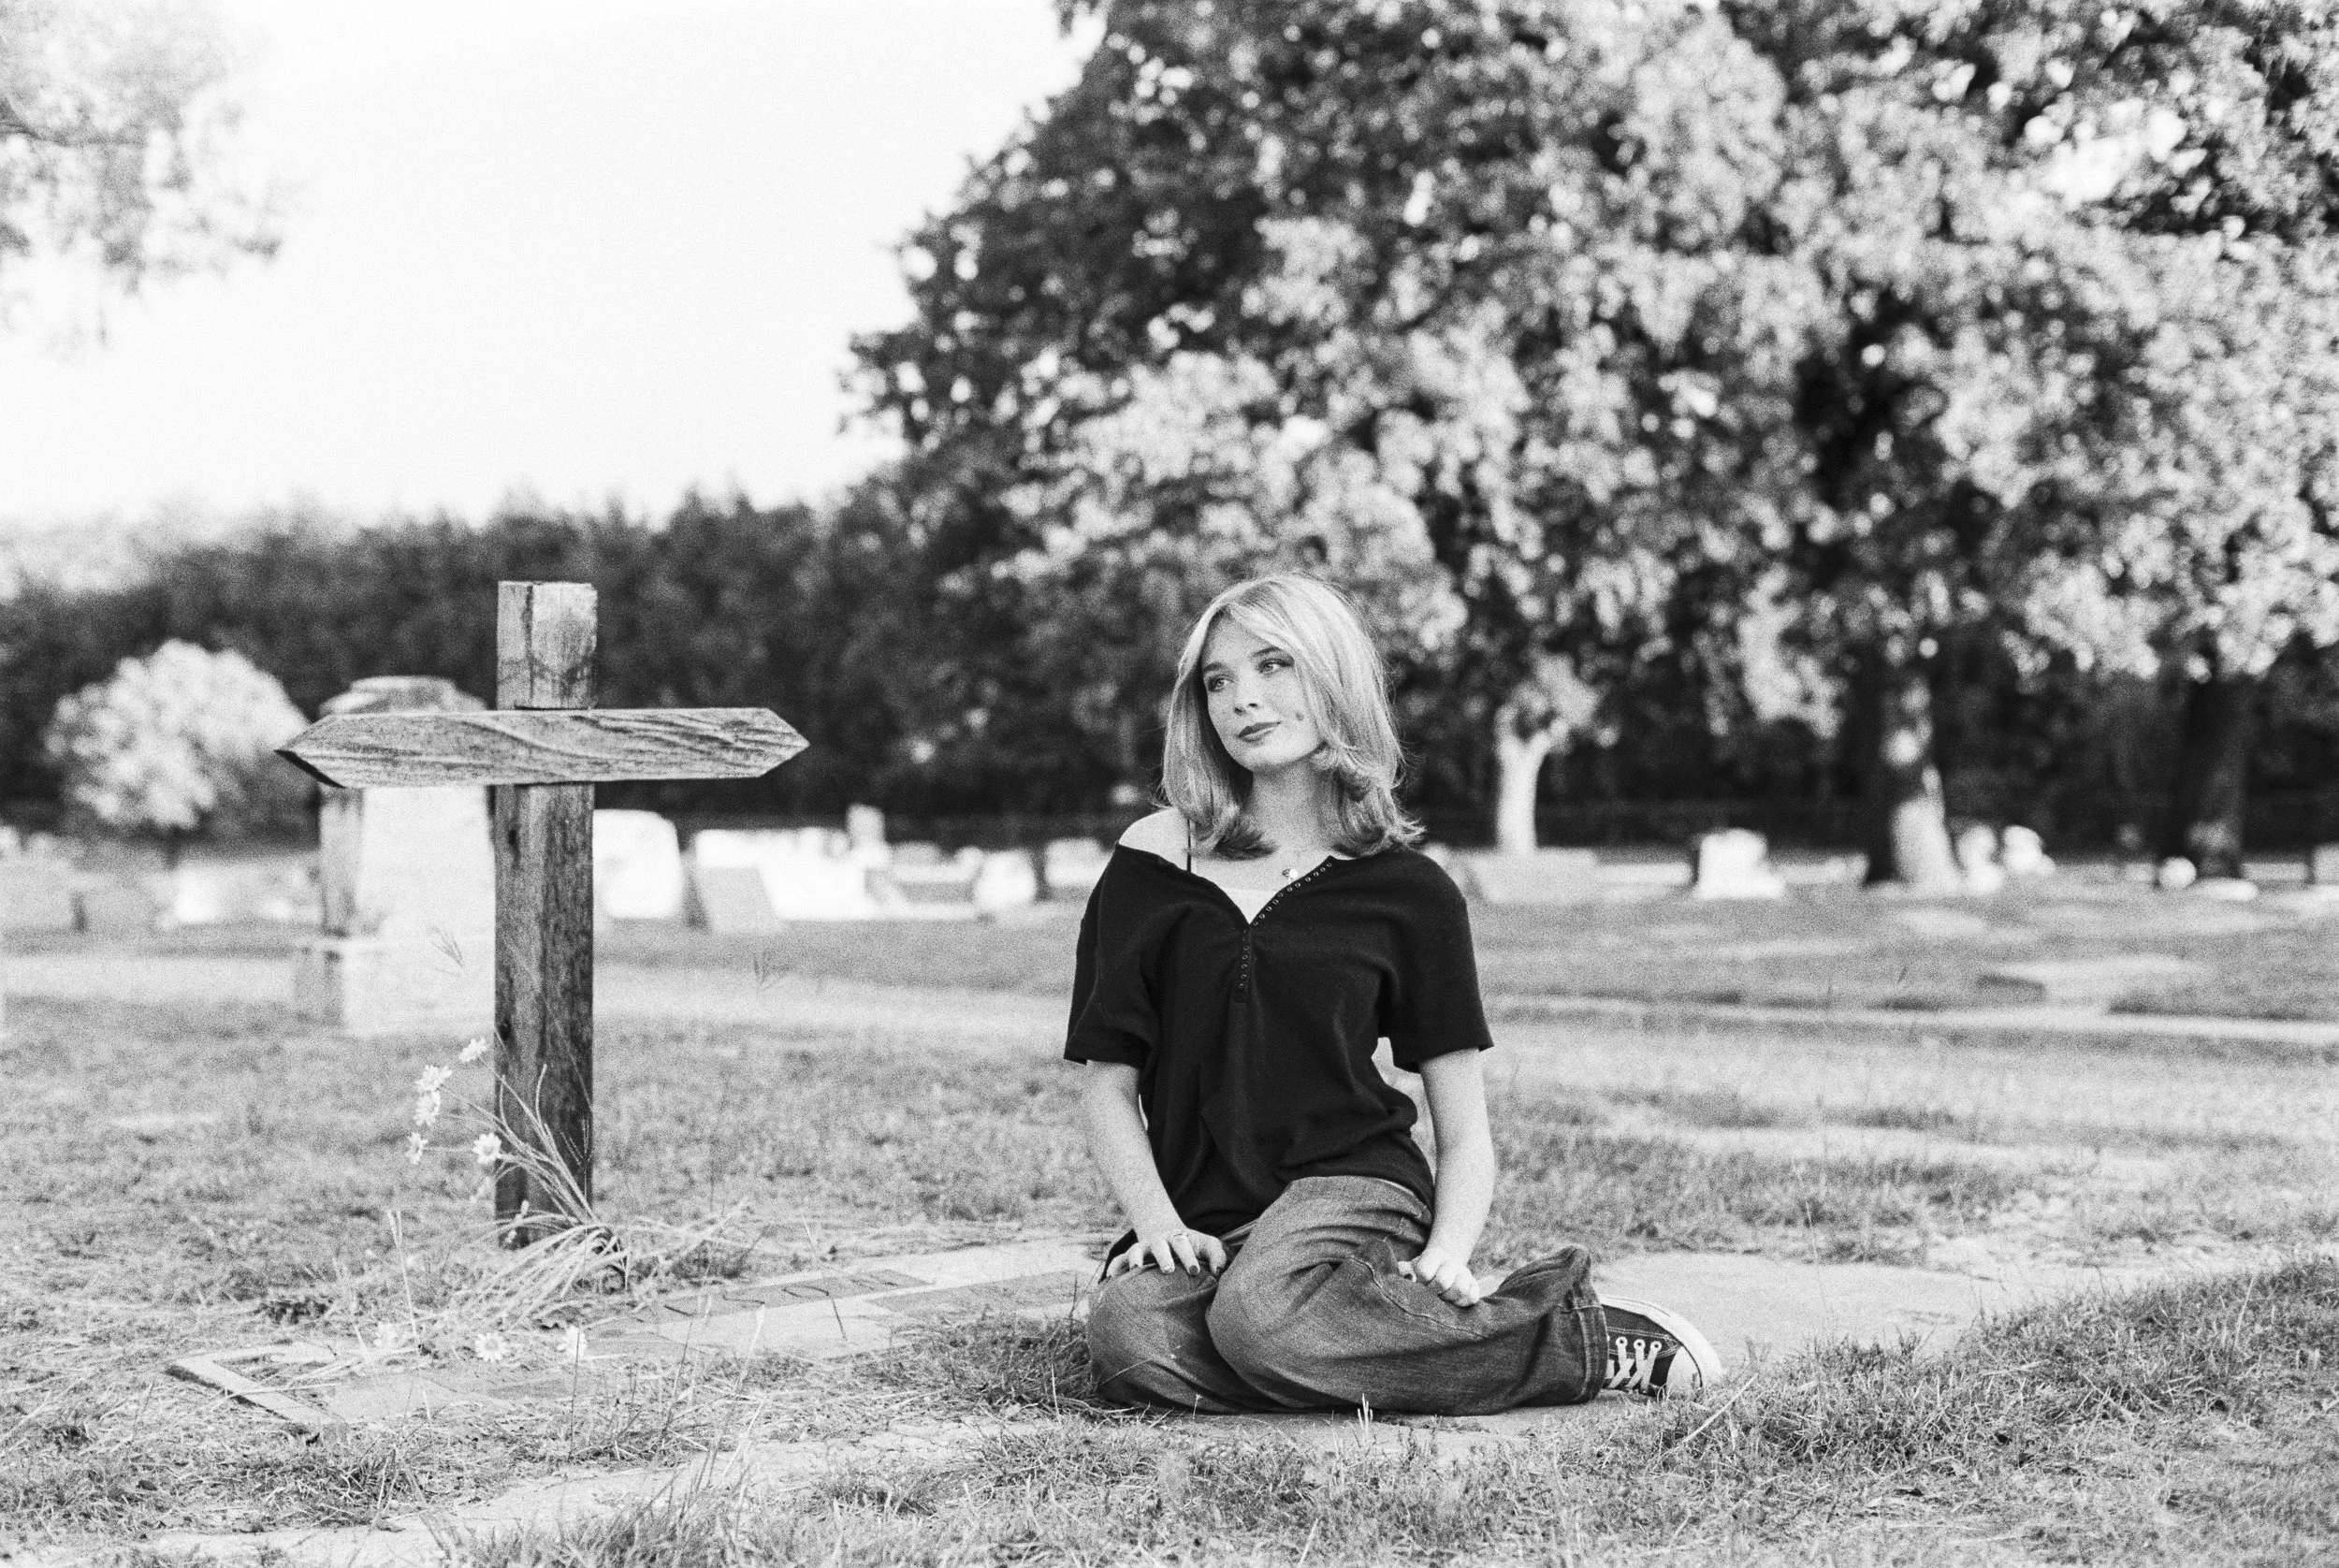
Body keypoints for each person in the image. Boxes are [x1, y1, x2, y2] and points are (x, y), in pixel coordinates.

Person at [1065, 573, 1721, 1416]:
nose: (1243, 700)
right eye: (1218, 681)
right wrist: (1157, 1225)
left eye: (1274, 667)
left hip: (1353, 1192)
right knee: (1130, 1341)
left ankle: (1579, 1339)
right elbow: (1108, 1084)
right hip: (1207, 1212)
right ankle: (1365, 1344)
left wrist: (1451, 1248)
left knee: (1260, 1320)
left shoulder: (1408, 891)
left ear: (1333, 675)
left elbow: (1465, 1124)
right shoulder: (1151, 864)